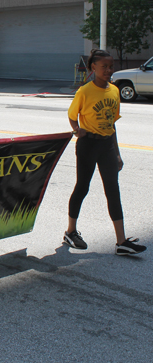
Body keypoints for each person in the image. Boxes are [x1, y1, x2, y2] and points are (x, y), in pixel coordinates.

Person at [63, 49, 146, 256]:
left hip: (107, 145)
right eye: (105, 67)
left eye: (111, 66)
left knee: (113, 190)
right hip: (88, 145)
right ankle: (70, 232)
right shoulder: (84, 91)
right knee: (82, 187)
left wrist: (117, 153)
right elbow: (72, 116)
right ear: (93, 68)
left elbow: (112, 123)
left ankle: (121, 242)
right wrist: (76, 129)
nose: (109, 70)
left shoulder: (114, 90)